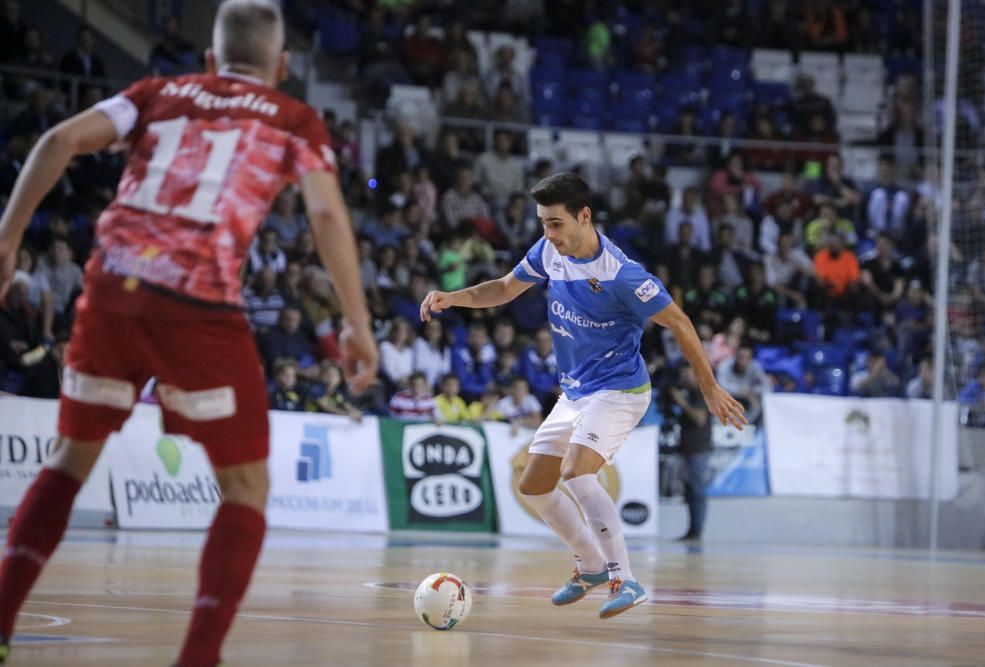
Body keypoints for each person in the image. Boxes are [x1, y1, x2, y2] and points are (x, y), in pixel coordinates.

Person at [0, 3, 379, 666]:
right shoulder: (293, 117)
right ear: (282, 67)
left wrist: (7, 239)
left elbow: (57, 141)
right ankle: (198, 656)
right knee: (245, 489)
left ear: (210, 59)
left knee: (68, 462)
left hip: (110, 294)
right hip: (197, 307)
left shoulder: (157, 93)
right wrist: (356, 321)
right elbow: (323, 208)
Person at [420, 173, 746, 619]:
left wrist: (709, 388)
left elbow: (682, 323)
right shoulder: (548, 253)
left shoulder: (623, 275)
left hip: (619, 390)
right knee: (533, 484)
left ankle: (624, 578)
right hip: (575, 393)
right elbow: (503, 288)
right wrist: (451, 298)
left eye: (555, 223)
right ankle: (590, 565)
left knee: (576, 472)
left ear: (584, 216)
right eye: (543, 224)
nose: (548, 234)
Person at [668, 366, 713, 542]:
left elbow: (699, 418)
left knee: (697, 489)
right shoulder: (689, 393)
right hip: (687, 447)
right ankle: (692, 530)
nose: (684, 378)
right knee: (689, 491)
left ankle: (697, 530)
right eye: (682, 375)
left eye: (687, 375)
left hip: (699, 448)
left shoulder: (700, 393)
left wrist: (681, 402)